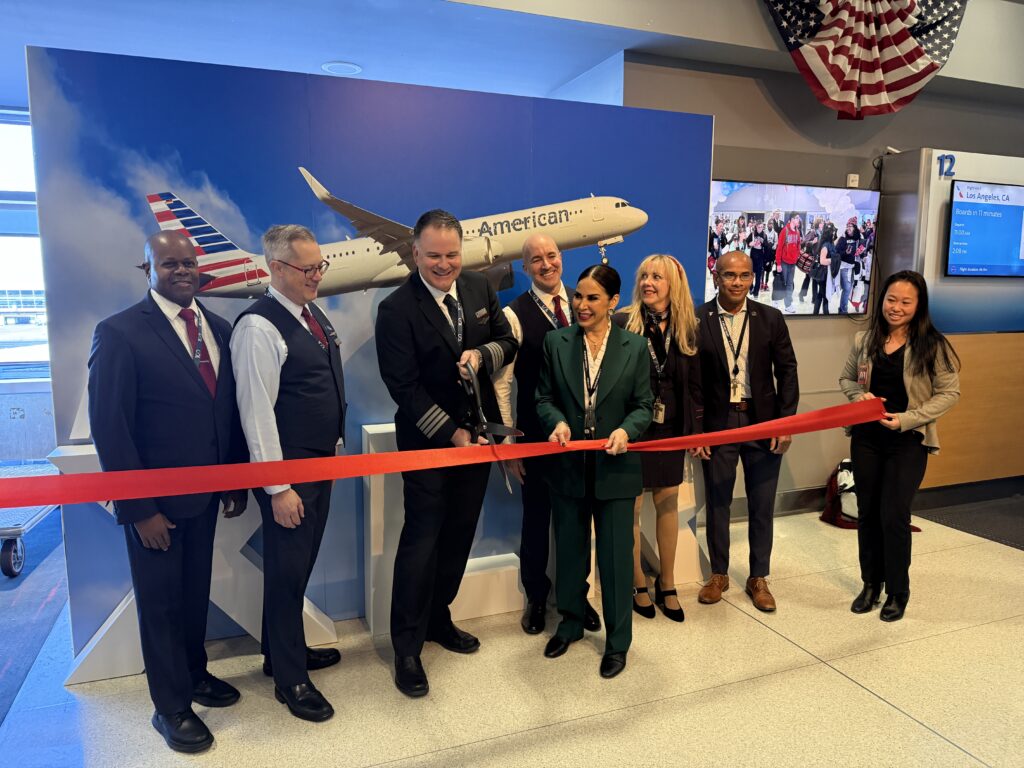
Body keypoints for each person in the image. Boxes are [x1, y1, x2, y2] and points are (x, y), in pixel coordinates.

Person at [88, 230, 249, 753]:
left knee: (193, 595)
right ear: (148, 268)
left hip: (206, 497)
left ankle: (195, 676)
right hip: (154, 507)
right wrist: (139, 510)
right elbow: (110, 428)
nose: (182, 270)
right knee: (160, 605)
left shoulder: (219, 328)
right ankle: (171, 708)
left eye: (188, 262)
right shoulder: (118, 333)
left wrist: (233, 478)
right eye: (169, 263)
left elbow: (224, 409)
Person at [375, 209, 517, 697]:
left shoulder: (479, 288)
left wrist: (482, 356)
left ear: (463, 252)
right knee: (422, 540)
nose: (443, 264)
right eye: (433, 256)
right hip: (428, 443)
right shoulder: (395, 309)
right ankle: (407, 648)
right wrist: (453, 435)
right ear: (415, 253)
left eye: (451, 255)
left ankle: (439, 619)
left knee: (459, 535)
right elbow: (404, 388)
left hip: (478, 441)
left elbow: (507, 341)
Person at [231, 224, 346, 723]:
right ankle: (290, 679)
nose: (316, 276)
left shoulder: (308, 313)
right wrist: (278, 488)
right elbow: (256, 414)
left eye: (319, 266)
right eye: (306, 269)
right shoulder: (259, 327)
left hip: (319, 466)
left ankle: (281, 652)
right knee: (286, 572)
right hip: (290, 479)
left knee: (296, 569)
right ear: (275, 268)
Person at [536, 264, 653, 679]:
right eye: (578, 297)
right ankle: (569, 624)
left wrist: (626, 430)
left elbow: (643, 405)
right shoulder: (556, 342)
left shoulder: (634, 347)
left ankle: (618, 643)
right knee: (569, 554)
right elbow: (543, 397)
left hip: (616, 471)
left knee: (617, 561)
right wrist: (557, 422)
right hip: (569, 468)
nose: (582, 305)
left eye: (592, 298)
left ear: (613, 302)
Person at [492, 233, 600, 636]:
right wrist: (508, 443)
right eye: (536, 259)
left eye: (552, 255)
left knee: (577, 519)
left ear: (563, 258)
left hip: (582, 437)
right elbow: (503, 384)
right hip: (535, 436)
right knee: (536, 520)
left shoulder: (583, 304)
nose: (546, 264)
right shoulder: (514, 314)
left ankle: (577, 596)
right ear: (525, 268)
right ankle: (537, 597)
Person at [839, 270, 960, 622]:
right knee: (868, 513)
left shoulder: (933, 344)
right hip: (867, 438)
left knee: (893, 514)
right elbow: (846, 378)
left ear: (919, 305)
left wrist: (908, 418)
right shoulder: (865, 339)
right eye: (891, 299)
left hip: (908, 439)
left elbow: (950, 393)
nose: (896, 307)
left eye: (906, 302)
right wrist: (860, 395)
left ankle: (897, 591)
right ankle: (870, 584)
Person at [696, 251, 799, 613]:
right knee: (718, 501)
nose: (736, 282)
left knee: (761, 503)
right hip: (718, 424)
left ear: (752, 278)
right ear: (716, 277)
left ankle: (758, 577)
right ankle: (718, 574)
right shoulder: (698, 318)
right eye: (729, 275)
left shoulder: (770, 317)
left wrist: (785, 423)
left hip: (762, 422)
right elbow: (691, 380)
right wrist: (697, 432)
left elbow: (787, 372)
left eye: (743, 275)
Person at [613, 255, 704, 624]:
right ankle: (638, 584)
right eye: (644, 276)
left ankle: (667, 583)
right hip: (633, 429)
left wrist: (698, 433)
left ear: (673, 285)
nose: (649, 282)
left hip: (670, 429)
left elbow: (696, 388)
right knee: (632, 509)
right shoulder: (622, 323)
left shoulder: (688, 328)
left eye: (657, 277)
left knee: (668, 505)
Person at [774, 213, 802, 314]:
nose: (798, 220)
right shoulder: (784, 231)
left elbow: (799, 245)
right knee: (782, 282)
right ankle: (776, 301)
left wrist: (797, 255)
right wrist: (778, 264)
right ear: (791, 219)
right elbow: (779, 248)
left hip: (792, 263)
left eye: (798, 218)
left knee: (790, 284)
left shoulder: (797, 232)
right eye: (797, 218)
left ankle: (788, 305)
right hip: (784, 262)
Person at [835, 217, 862, 314]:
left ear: (855, 227)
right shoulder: (843, 238)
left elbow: (860, 251)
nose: (848, 228)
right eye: (847, 226)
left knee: (849, 289)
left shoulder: (858, 239)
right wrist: (845, 252)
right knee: (846, 288)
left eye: (850, 226)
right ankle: (843, 310)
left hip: (853, 268)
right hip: (843, 267)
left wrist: (861, 252)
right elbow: (837, 253)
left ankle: (842, 308)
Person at [812, 223, 837, 315]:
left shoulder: (827, 243)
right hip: (824, 275)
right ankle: (825, 314)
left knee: (821, 294)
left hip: (824, 274)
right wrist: (834, 259)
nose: (834, 234)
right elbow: (822, 261)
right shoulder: (826, 245)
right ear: (830, 233)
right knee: (824, 295)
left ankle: (816, 313)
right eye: (833, 232)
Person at [746, 221, 770, 299]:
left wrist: (766, 260)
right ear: (756, 227)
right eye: (758, 227)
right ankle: (751, 287)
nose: (760, 228)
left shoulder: (764, 235)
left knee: (758, 276)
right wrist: (751, 244)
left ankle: (756, 293)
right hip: (753, 255)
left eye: (761, 227)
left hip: (760, 256)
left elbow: (766, 247)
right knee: (750, 274)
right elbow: (747, 242)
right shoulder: (752, 234)